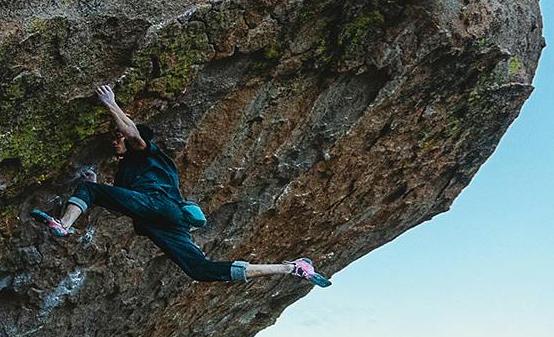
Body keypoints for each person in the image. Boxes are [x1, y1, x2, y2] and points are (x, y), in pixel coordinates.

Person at [29, 84, 331, 287]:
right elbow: (120, 199)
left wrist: (112, 105)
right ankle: (291, 268)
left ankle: (64, 225)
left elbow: (133, 133)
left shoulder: (147, 152)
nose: (115, 140)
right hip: (165, 222)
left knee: (93, 192)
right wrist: (94, 187)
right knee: (199, 270)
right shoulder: (130, 170)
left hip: (159, 206)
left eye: (116, 138)